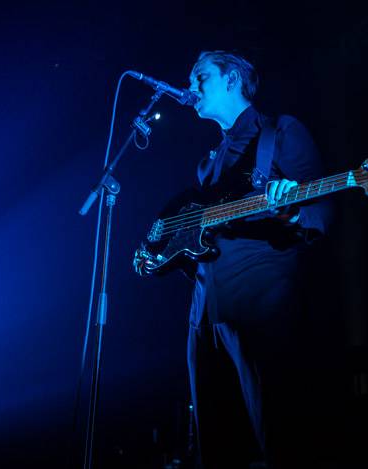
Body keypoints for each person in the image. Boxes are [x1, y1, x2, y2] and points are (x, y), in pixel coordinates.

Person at [134, 51, 332, 468]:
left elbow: (322, 206)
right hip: (204, 313)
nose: (191, 86)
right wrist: (161, 255)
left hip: (261, 304)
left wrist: (292, 211)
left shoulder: (280, 132)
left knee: (280, 437)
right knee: (216, 446)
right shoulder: (208, 162)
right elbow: (196, 238)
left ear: (231, 80)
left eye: (200, 77)